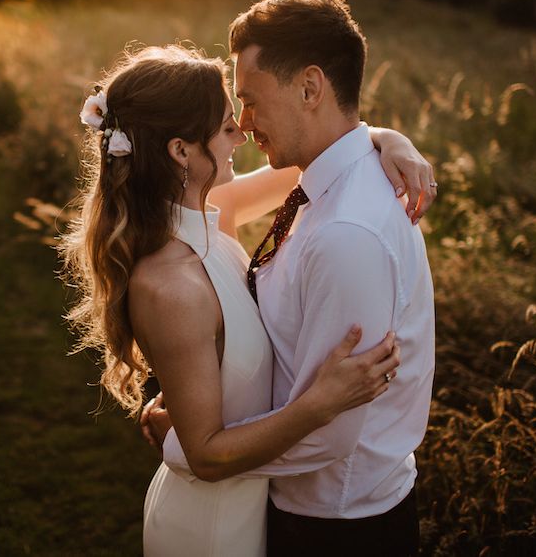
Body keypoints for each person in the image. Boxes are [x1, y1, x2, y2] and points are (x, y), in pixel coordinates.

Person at [60, 40, 433, 556]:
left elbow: (321, 154)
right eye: (226, 122)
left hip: (255, 508)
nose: (244, 132)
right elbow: (206, 453)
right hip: (210, 528)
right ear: (180, 151)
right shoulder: (169, 284)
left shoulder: (215, 215)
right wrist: (318, 405)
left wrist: (386, 138)